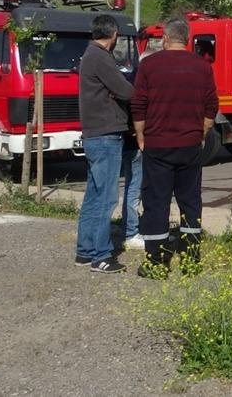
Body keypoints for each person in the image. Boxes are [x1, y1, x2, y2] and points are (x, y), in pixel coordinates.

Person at [131, 18, 219, 277]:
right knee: (190, 202)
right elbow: (211, 105)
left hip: (158, 145)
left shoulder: (149, 65)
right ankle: (191, 260)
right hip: (190, 145)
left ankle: (156, 263)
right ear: (188, 39)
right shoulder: (202, 67)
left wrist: (140, 136)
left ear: (165, 39)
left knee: (156, 203)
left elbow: (138, 105)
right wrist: (201, 133)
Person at [75, 15, 141, 274]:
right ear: (113, 35)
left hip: (94, 134)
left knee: (93, 195)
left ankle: (85, 250)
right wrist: (124, 91)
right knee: (106, 197)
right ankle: (101, 256)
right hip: (106, 134)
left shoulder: (89, 55)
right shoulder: (101, 58)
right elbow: (126, 91)